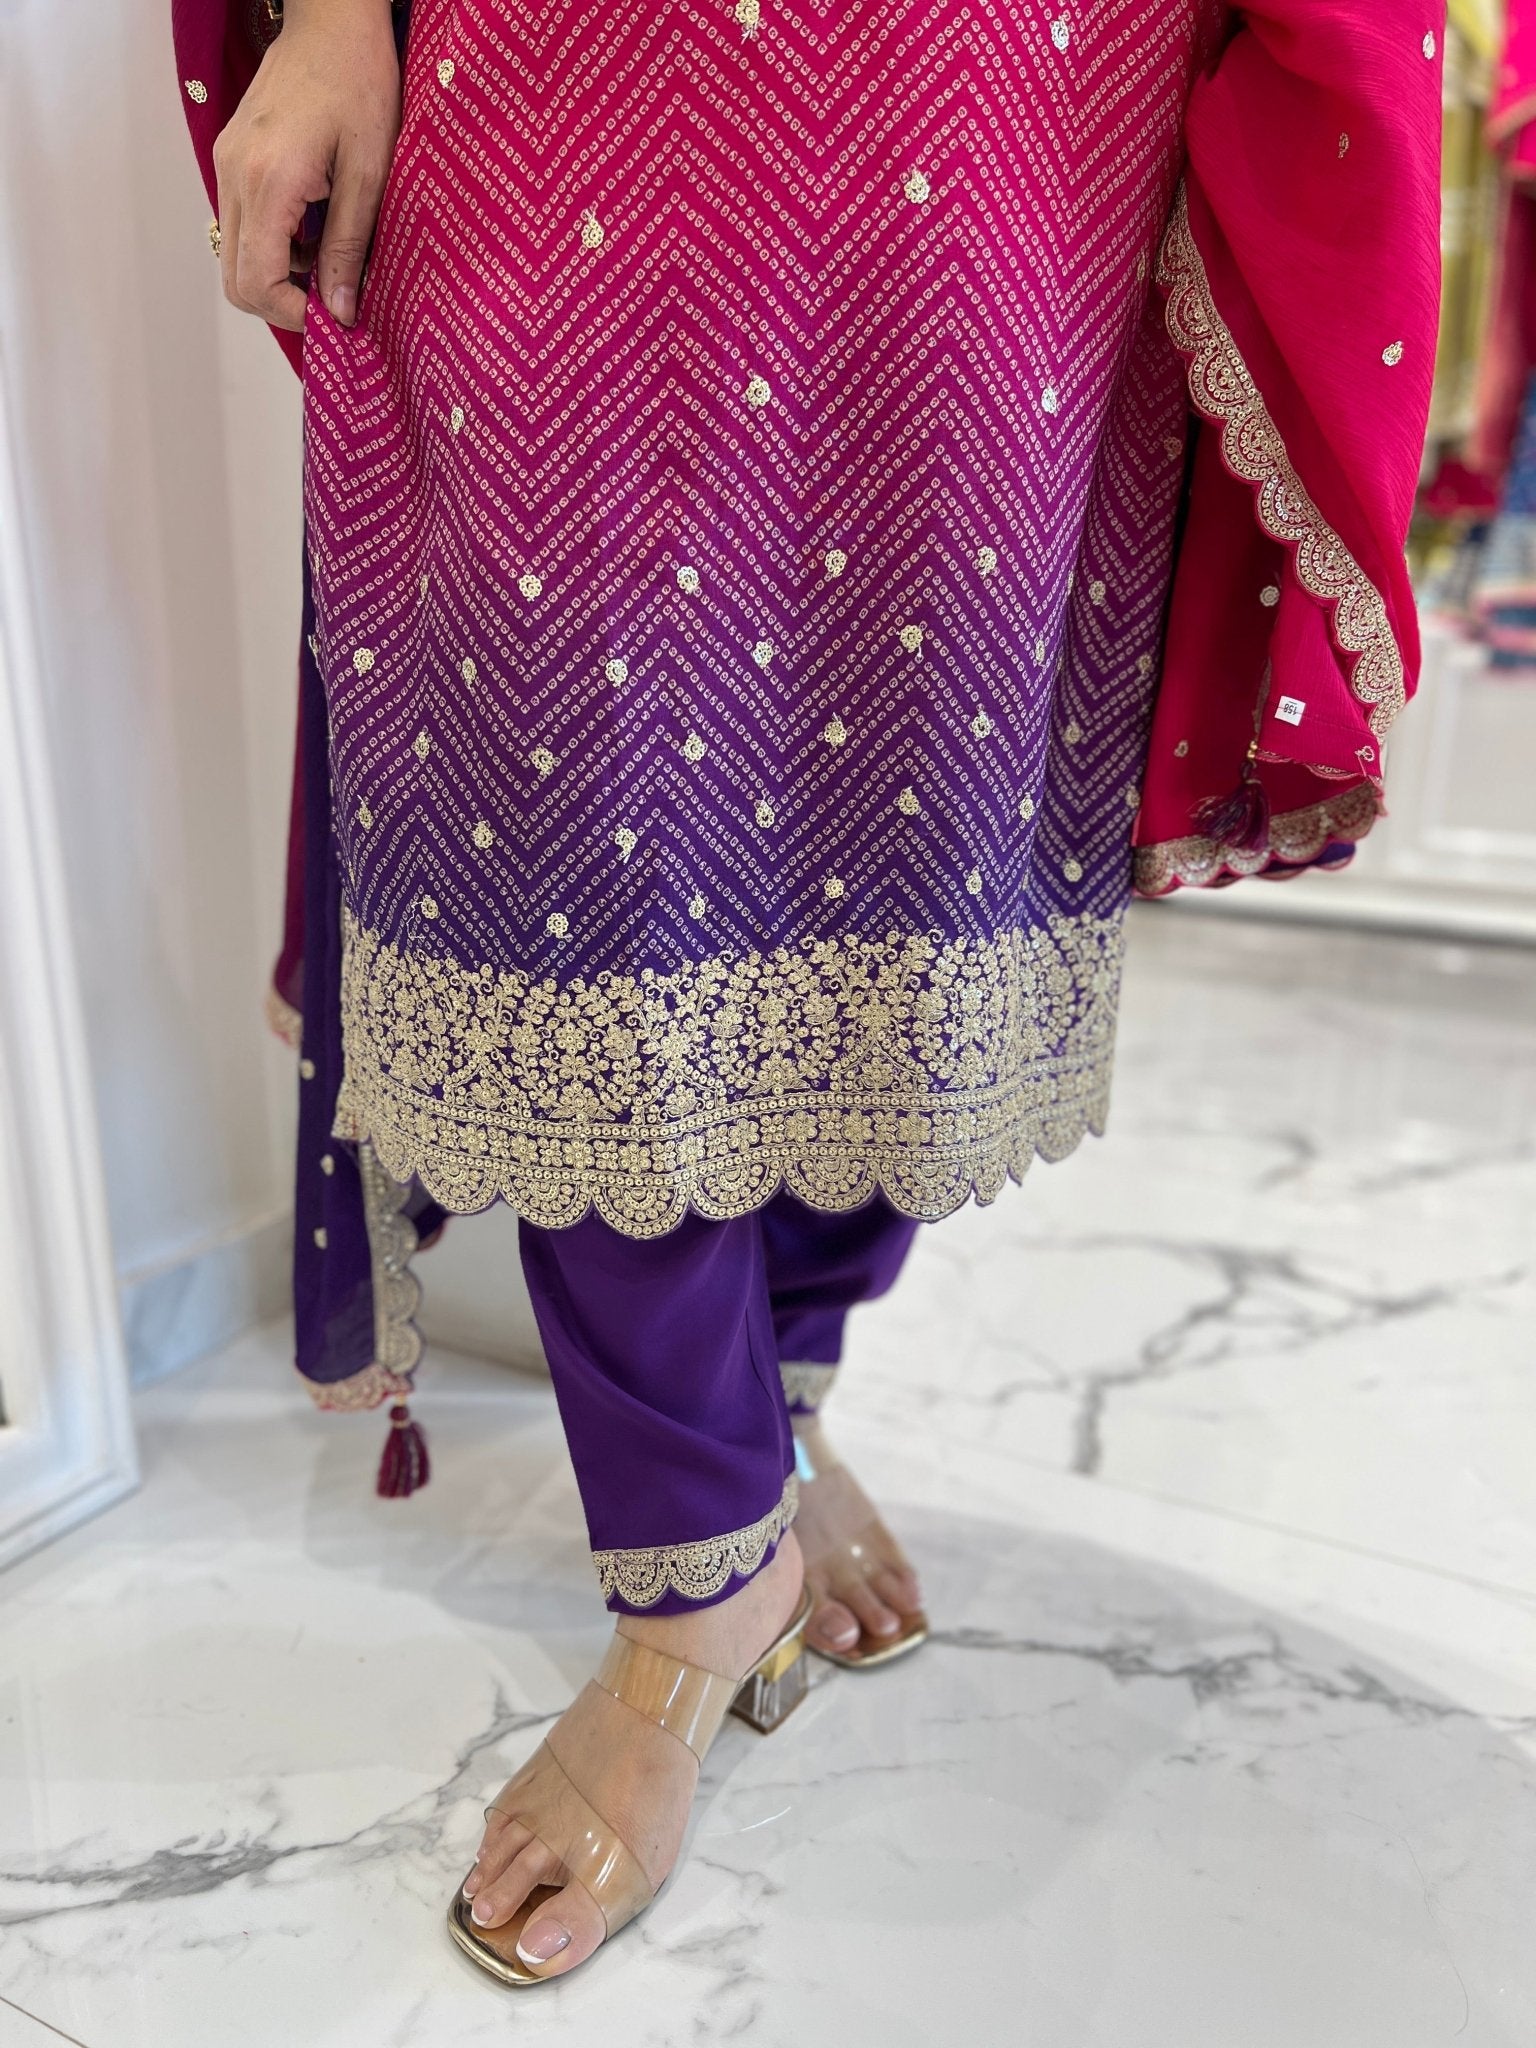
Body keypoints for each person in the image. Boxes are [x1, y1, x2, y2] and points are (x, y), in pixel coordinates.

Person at [172, 0, 1441, 1986]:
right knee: (583, 840)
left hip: (1034, 75)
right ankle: (697, 1584)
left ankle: (774, 1404)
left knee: (924, 790)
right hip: (564, 67)